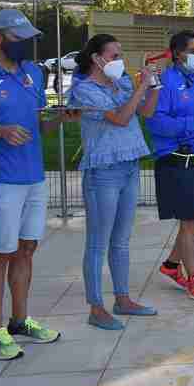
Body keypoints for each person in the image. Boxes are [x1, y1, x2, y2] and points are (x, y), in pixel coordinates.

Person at [0, 10, 79, 361]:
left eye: (29, 38)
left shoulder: (32, 74)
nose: (27, 44)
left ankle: (19, 321)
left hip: (34, 175)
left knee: (26, 249)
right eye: (19, 38)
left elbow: (36, 125)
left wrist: (59, 118)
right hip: (1, 179)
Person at [69, 35, 161, 330]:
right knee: (98, 243)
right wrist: (141, 87)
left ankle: (123, 299)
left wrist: (153, 86)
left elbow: (145, 112)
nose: (119, 61)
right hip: (103, 172)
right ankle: (96, 308)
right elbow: (120, 118)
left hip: (129, 168)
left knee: (121, 241)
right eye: (114, 55)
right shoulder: (85, 90)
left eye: (120, 55)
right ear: (96, 58)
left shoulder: (121, 83)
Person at [146, 30, 194, 301]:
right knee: (189, 221)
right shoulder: (164, 82)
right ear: (178, 53)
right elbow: (155, 122)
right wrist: (191, 124)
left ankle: (170, 265)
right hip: (176, 159)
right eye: (193, 51)